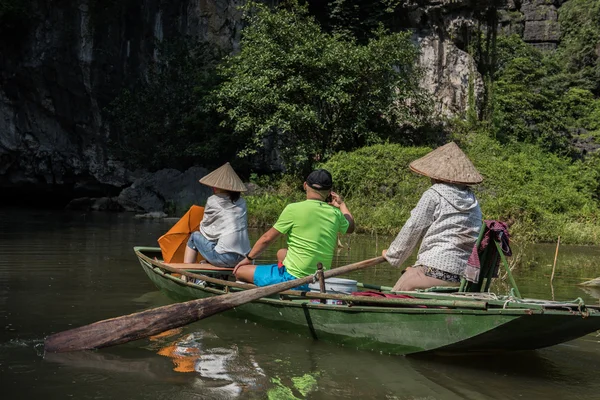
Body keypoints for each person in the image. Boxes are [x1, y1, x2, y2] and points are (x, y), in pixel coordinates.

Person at [382, 142, 483, 292]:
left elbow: (414, 227)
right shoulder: (472, 200)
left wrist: (392, 255)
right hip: (463, 276)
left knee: (396, 291)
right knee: (410, 272)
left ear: (436, 176)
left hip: (436, 269)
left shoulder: (434, 194)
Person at [233, 169, 355, 289]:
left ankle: (272, 284)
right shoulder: (335, 213)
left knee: (240, 270)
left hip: (293, 279)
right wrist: (342, 205)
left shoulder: (293, 209)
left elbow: (267, 238)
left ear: (305, 185)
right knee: (281, 252)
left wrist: (248, 259)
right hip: (318, 280)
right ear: (329, 192)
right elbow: (350, 227)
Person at [184, 162, 251, 268]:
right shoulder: (242, 202)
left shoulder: (213, 200)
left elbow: (206, 231)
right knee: (217, 243)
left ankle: (186, 273)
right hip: (245, 258)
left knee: (194, 236)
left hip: (225, 258)